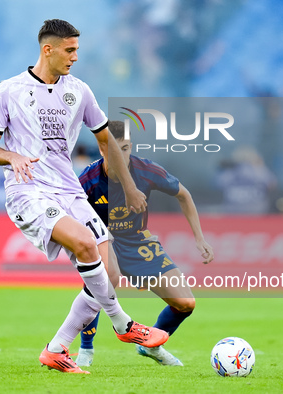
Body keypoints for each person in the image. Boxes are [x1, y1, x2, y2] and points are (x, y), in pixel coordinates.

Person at [0, 19, 168, 374]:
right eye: (70, 50)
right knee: (83, 243)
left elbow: (104, 140)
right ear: (47, 49)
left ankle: (55, 349)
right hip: (28, 190)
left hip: (68, 190)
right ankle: (124, 325)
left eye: (77, 50)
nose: (75, 57)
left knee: (110, 274)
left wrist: (127, 185)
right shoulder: (9, 90)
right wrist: (12, 156)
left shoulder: (79, 91)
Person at [76, 120, 214, 367]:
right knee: (101, 286)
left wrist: (199, 238)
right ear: (103, 150)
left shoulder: (147, 171)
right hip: (104, 240)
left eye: (127, 148)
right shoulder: (88, 179)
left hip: (137, 241)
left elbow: (184, 195)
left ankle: (152, 345)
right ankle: (85, 351)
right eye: (118, 149)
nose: (124, 155)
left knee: (185, 303)